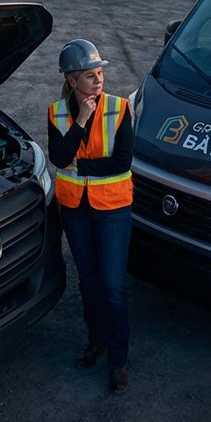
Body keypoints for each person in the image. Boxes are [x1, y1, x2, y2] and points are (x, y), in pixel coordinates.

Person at [47, 38, 135, 395]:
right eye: (89, 75)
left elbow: (121, 162)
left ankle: (118, 361)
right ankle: (96, 342)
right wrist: (81, 120)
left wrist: (81, 163)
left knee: (113, 287)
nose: (99, 81)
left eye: (100, 73)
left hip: (113, 208)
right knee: (88, 282)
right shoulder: (57, 112)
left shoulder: (119, 108)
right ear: (71, 80)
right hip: (76, 210)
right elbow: (57, 156)